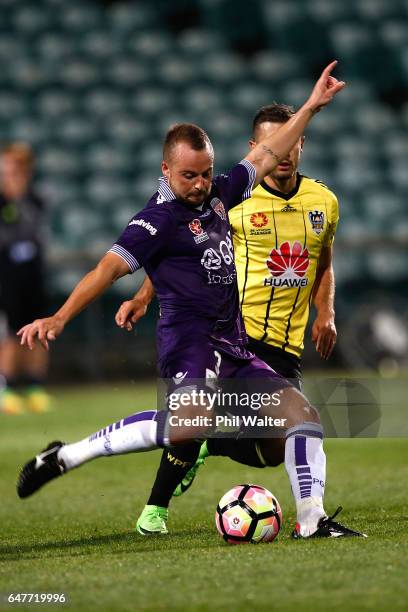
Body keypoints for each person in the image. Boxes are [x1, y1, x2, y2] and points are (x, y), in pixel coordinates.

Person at [17, 63, 363, 538]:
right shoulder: (155, 222)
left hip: (234, 343)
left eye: (205, 173)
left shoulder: (220, 196)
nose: (199, 184)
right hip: (189, 343)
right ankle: (69, 455)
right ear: (166, 171)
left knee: (302, 420)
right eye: (187, 176)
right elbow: (106, 268)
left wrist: (309, 108)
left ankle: (312, 520)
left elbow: (266, 154)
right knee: (187, 429)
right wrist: (59, 317)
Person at [116, 102, 339, 535]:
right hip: (235, 333)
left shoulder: (324, 201)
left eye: (294, 141)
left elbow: (324, 259)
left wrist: (325, 310)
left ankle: (210, 446)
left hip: (287, 343)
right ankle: (155, 509)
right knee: (194, 416)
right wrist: (146, 293)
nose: (287, 152)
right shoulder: (231, 198)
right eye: (278, 143)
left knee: (276, 448)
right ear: (258, 147)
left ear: (302, 143)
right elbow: (182, 251)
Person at [0, 144, 50, 414]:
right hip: (7, 275)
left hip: (33, 272)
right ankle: (6, 388)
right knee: (11, 332)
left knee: (40, 328)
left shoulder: (35, 199)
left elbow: (37, 232)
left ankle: (35, 387)